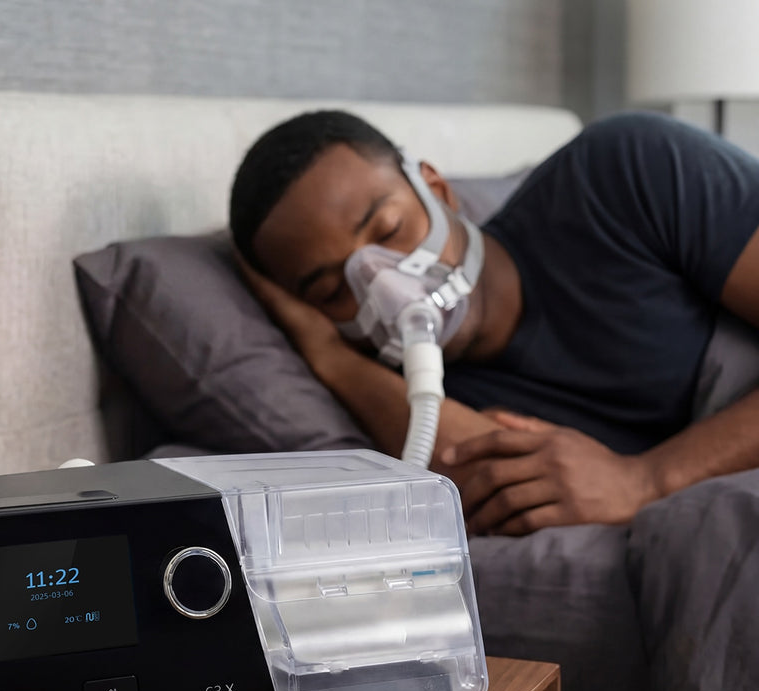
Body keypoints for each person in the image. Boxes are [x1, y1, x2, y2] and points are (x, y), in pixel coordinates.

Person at [228, 109, 759, 536]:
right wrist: (331, 358)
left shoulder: (624, 174)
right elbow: (501, 486)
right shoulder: (421, 403)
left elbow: (627, 487)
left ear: (436, 190)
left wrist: (647, 479)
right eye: (333, 289)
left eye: (389, 229)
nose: (384, 285)